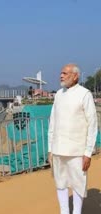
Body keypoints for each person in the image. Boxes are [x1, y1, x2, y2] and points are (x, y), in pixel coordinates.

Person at [48, 63, 98, 214]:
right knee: (60, 183)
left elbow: (92, 125)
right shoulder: (58, 94)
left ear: (75, 76)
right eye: (61, 73)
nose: (61, 75)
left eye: (65, 73)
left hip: (77, 151)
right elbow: (53, 123)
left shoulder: (85, 94)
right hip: (58, 149)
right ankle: (64, 211)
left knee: (78, 184)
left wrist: (88, 153)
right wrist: (50, 149)